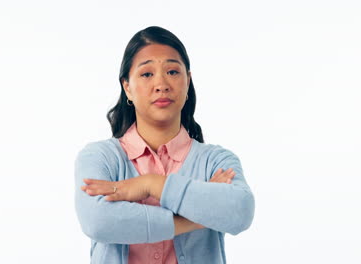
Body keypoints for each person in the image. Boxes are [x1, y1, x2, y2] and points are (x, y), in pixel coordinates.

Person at [74, 26, 255, 264]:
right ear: (127, 87)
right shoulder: (100, 157)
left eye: (172, 71)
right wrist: (196, 217)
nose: (161, 84)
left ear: (187, 82)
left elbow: (239, 212)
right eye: (147, 74)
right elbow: (99, 221)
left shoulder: (217, 161)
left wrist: (150, 185)